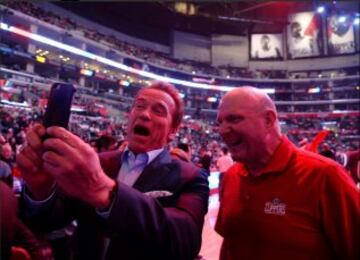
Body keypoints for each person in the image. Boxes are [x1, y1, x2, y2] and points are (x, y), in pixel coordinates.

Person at [17, 81, 209, 260]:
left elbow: (185, 240)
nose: (144, 114)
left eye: (158, 111)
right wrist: (40, 189)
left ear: (173, 129)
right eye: (139, 106)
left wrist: (102, 190)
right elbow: (47, 222)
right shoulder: (99, 162)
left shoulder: (190, 176)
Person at [215, 87, 359, 259]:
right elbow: (231, 246)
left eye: (234, 119)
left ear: (268, 120)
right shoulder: (231, 176)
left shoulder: (325, 176)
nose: (222, 130)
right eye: (220, 122)